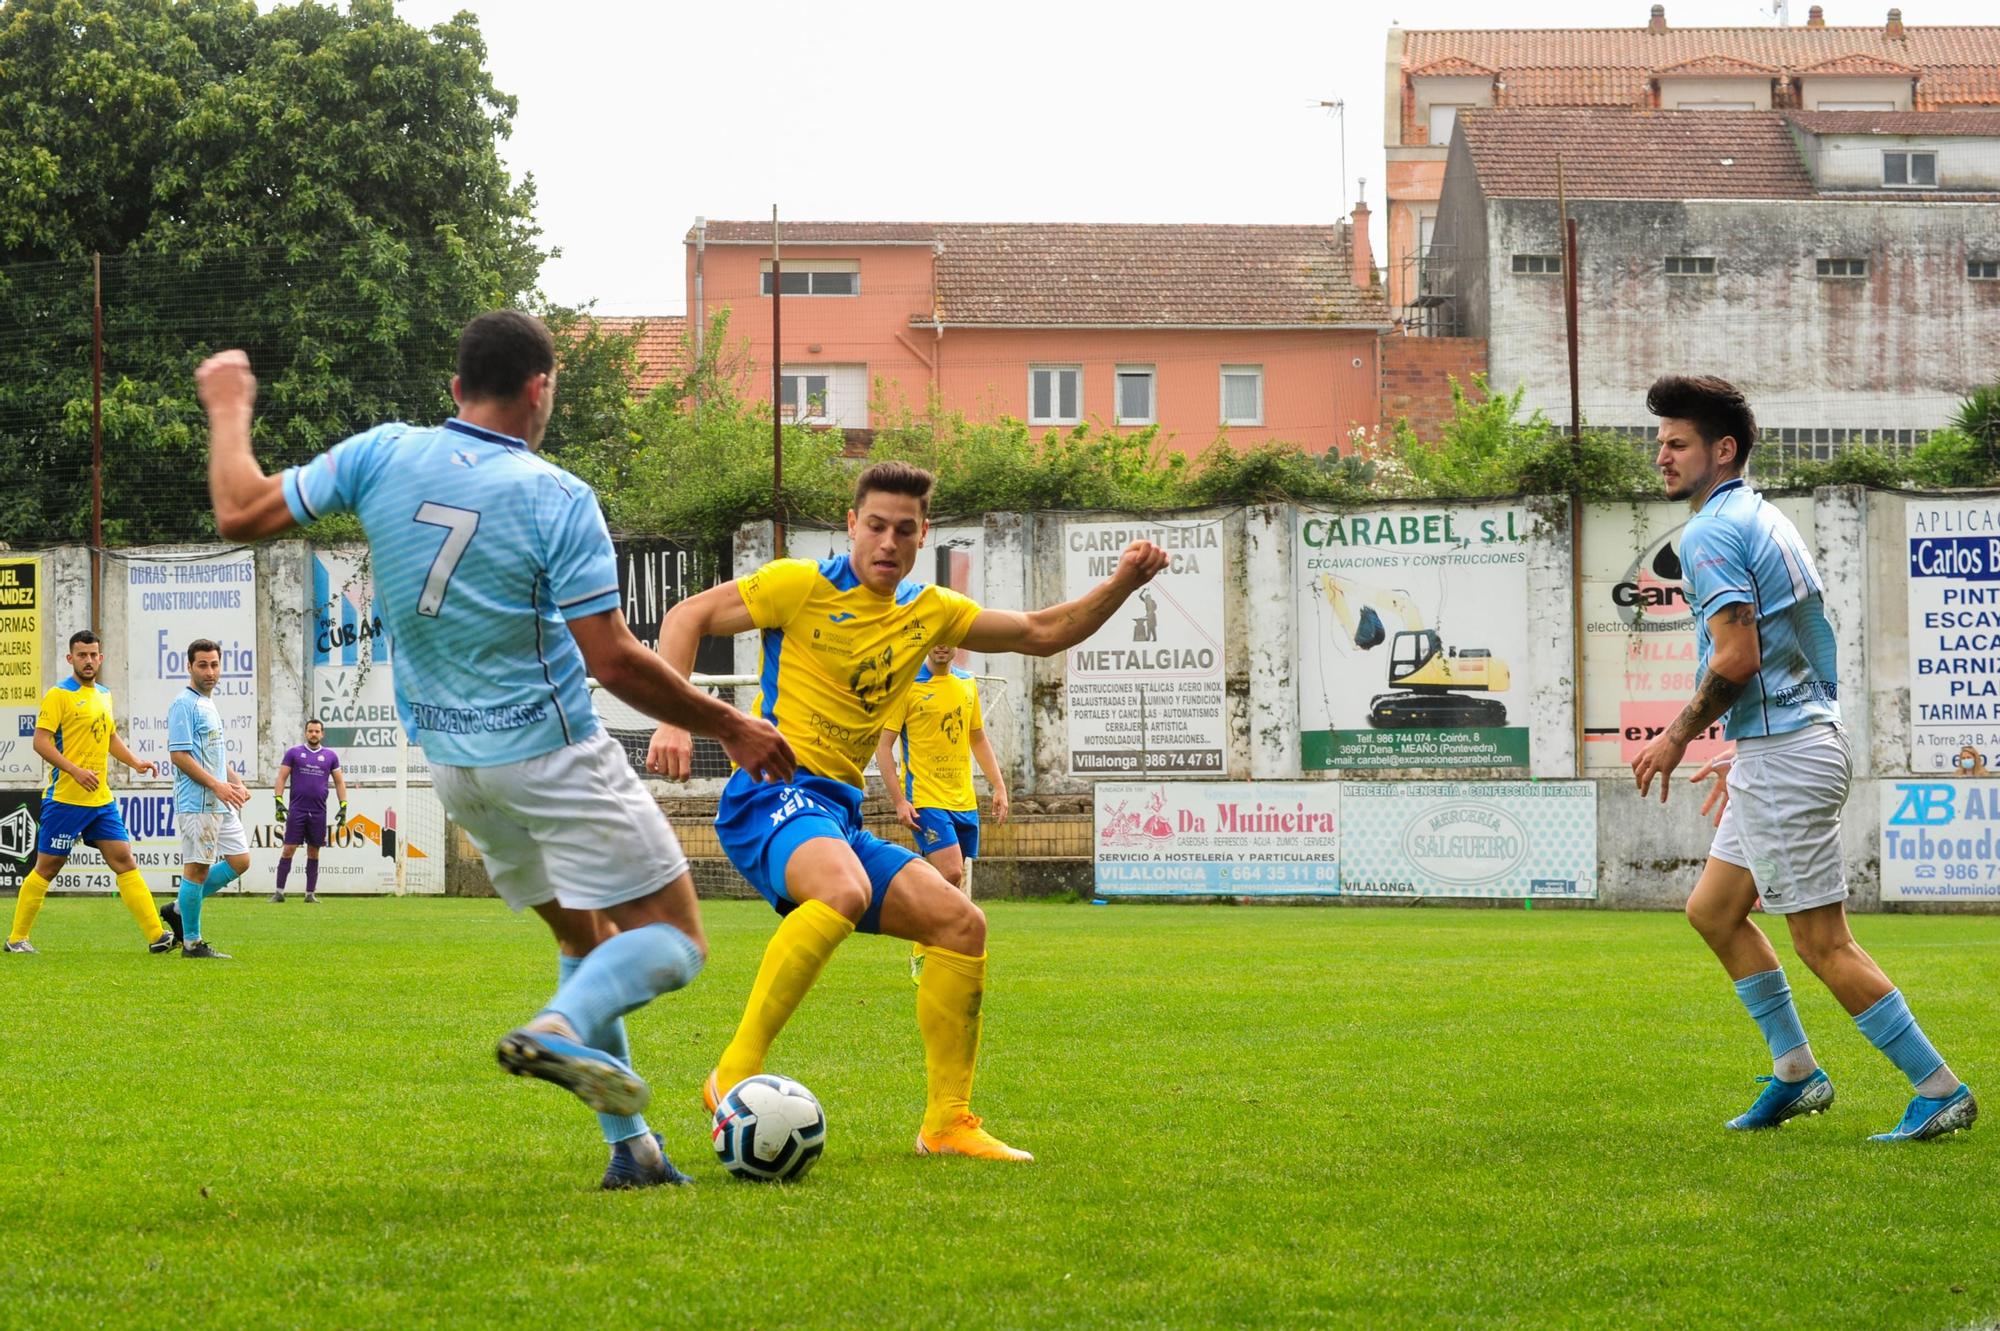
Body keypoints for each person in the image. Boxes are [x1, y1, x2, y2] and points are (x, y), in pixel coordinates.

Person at [198, 311, 793, 1189]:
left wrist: (229, 404)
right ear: (539, 387)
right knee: (674, 940)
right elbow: (614, 659)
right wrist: (731, 724)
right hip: (553, 754)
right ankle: (558, 1026)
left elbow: (239, 509)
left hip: (457, 769)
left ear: (454, 389)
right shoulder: (557, 495)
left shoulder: (382, 453)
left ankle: (631, 1149)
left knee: (587, 942)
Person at [649, 461, 1166, 1164]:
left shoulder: (928, 611)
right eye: (875, 525)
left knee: (961, 923)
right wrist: (677, 718)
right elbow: (687, 616)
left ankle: (948, 1123)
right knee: (841, 887)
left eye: (904, 529)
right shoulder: (799, 584)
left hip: (835, 813)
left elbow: (1042, 632)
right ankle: (733, 1073)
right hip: (771, 790)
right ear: (850, 525)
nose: (887, 541)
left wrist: (1123, 584)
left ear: (922, 536)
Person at [1631, 374, 1976, 1142]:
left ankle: (1938, 1086)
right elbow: (1781, 653)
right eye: (1659, 442)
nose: (1662, 455)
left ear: (1723, 449)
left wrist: (1681, 734)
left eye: (1676, 442)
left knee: (1823, 941)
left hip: (1788, 753)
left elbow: (1739, 657)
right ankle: (1796, 1073)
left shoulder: (1710, 533)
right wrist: (1745, 748)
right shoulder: (1759, 515)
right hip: (1783, 746)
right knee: (1714, 911)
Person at [5, 630, 173, 955]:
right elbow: (40, 741)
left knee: (124, 860)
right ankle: (16, 939)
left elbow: (109, 737)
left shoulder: (105, 695)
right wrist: (74, 770)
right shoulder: (59, 695)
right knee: (48, 867)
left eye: (94, 654)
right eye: (82, 655)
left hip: (100, 800)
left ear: (101, 657)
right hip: (66, 799)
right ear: (70, 659)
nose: (89, 660)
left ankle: (157, 935)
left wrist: (136, 762)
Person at [874, 640, 1010, 983]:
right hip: (925, 798)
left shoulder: (966, 684)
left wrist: (998, 785)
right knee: (950, 873)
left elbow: (977, 737)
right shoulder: (907, 686)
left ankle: (939, 941)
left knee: (951, 878)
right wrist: (899, 801)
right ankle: (922, 947)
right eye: (935, 639)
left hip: (963, 800)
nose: (941, 647)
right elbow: (884, 746)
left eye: (949, 640)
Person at [160, 639, 253, 960]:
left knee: (240, 861)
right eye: (203, 664)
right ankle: (192, 943)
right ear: (189, 667)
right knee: (197, 870)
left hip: (218, 797)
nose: (210, 671)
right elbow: (179, 756)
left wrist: (234, 781)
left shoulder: (208, 703)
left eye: (214, 664)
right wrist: (217, 785)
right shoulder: (183, 704)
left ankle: (178, 908)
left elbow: (212, 753)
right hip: (198, 801)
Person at [273, 719, 347, 903]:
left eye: (317, 731)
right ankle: (279, 892)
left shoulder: (330, 756)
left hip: (318, 811)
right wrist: (279, 801)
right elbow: (281, 777)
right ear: (306, 733)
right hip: (297, 809)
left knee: (314, 851)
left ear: (322, 734)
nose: (314, 734)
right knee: (288, 849)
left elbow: (339, 782)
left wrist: (343, 805)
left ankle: (310, 895)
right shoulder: (294, 753)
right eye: (310, 731)